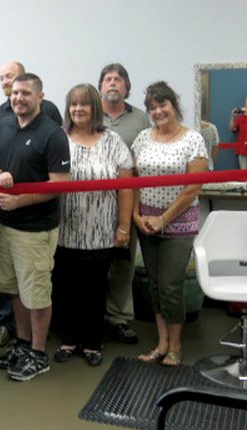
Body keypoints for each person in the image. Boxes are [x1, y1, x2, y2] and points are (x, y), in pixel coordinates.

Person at [0, 73, 70, 381]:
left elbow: (60, 185)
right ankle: (23, 345)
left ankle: (38, 353)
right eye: (15, 93)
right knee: (14, 291)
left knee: (36, 294)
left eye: (25, 93)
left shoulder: (53, 135)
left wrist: (19, 201)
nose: (18, 98)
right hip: (7, 228)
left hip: (36, 229)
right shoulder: (5, 125)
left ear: (40, 97)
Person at [51, 84, 133, 367]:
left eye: (84, 104)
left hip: (101, 233)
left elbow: (126, 188)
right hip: (63, 232)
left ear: (94, 108)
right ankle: (69, 339)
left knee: (95, 289)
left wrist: (123, 227)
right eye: (73, 104)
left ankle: (93, 343)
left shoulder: (113, 141)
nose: (77, 109)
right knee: (65, 288)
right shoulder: (58, 139)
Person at [132, 81, 207, 367]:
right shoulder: (142, 138)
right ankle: (161, 343)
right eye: (152, 107)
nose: (158, 111)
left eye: (162, 104)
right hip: (147, 223)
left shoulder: (193, 140)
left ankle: (176, 347)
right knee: (153, 285)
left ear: (174, 105)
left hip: (177, 224)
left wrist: (164, 218)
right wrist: (137, 216)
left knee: (171, 286)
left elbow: (193, 187)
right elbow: (134, 179)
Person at [98, 63, 152, 345]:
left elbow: (144, 161)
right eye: (108, 79)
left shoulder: (141, 119)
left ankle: (118, 319)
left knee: (122, 263)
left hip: (126, 202)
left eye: (118, 79)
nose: (113, 83)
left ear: (126, 87)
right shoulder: (88, 115)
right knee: (92, 265)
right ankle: (92, 318)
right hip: (90, 205)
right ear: (100, 86)